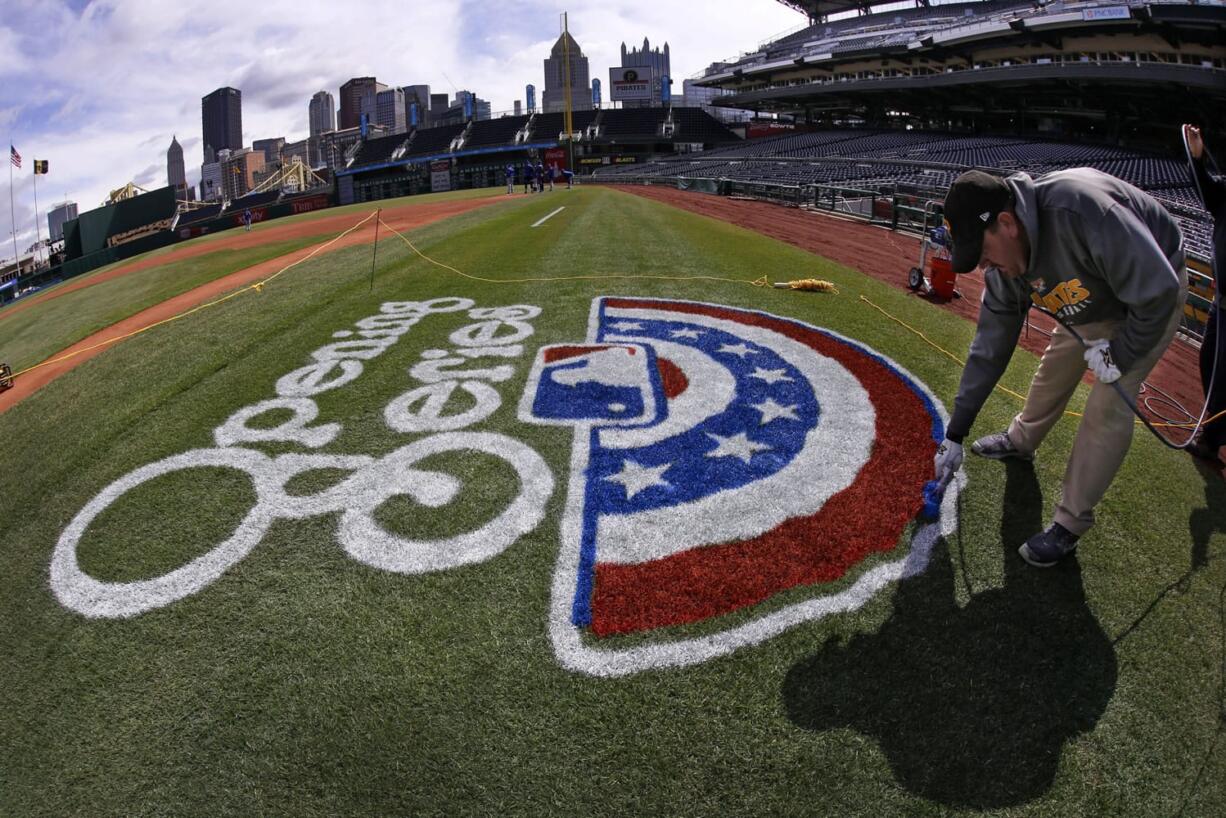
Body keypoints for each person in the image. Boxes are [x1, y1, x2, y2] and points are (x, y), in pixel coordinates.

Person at [932, 168, 1187, 567]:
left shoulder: (1082, 209)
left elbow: (1158, 290)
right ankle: (1021, 440)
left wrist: (1119, 355)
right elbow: (989, 347)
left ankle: (1070, 522)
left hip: (1148, 294)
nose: (987, 269)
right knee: (1056, 363)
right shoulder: (1007, 263)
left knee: (1109, 403)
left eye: (985, 256)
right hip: (1090, 292)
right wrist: (956, 433)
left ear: (1006, 223)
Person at [1182, 124, 1226, 462]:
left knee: (1221, 374)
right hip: (1220, 306)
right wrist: (1197, 157)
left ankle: (1210, 440)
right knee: (1209, 363)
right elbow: (1209, 194)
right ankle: (1212, 434)